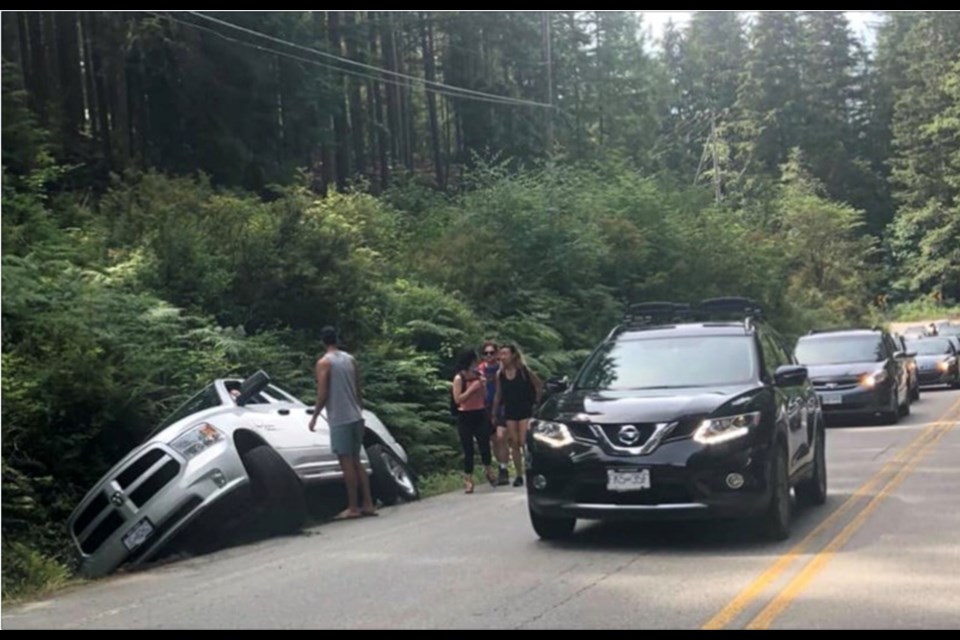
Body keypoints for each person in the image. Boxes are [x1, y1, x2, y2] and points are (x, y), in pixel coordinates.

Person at [308, 326, 377, 520]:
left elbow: (323, 393)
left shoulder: (324, 362)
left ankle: (353, 507)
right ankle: (368, 503)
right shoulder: (350, 359)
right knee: (357, 461)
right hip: (356, 415)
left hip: (340, 417)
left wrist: (314, 416)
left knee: (346, 463)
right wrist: (360, 407)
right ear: (337, 340)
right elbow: (358, 388)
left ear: (322, 341)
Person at [492, 344, 542, 487]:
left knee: (524, 440)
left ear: (513, 355)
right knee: (514, 443)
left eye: (505, 354)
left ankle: (531, 469)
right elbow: (498, 394)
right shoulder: (500, 374)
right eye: (501, 354)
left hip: (525, 409)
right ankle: (519, 475)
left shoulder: (523, 371)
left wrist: (536, 403)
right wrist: (494, 412)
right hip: (510, 411)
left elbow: (538, 385)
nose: (502, 357)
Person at [452, 349, 498, 493]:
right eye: (474, 361)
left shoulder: (479, 376)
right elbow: (458, 399)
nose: (476, 364)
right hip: (465, 415)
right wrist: (472, 389)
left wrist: (482, 386)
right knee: (468, 449)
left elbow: (484, 396)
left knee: (485, 444)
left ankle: (488, 470)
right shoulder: (459, 378)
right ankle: (468, 478)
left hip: (479, 413)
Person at [478, 340, 510, 486]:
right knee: (494, 440)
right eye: (486, 353)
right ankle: (501, 466)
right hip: (485, 406)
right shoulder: (479, 370)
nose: (489, 355)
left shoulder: (502, 369)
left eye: (492, 352)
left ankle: (504, 469)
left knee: (501, 436)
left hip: (502, 405)